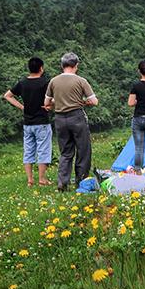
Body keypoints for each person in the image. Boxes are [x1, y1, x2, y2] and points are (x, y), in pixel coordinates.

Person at [44, 52, 98, 192]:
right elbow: (94, 101)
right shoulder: (81, 81)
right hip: (77, 117)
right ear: (76, 65)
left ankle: (62, 182)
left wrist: (59, 101)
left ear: (62, 65)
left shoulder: (53, 81)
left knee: (66, 152)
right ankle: (81, 181)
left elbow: (47, 102)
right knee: (83, 150)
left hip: (60, 119)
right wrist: (83, 102)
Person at [2, 57, 52, 187]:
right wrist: (50, 105)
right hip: (42, 122)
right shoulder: (45, 83)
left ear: (29, 68)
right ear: (41, 68)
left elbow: (7, 95)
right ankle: (42, 179)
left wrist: (22, 107)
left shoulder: (22, 83)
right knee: (43, 150)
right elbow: (52, 99)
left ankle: (30, 180)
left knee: (28, 150)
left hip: (27, 123)